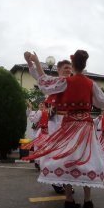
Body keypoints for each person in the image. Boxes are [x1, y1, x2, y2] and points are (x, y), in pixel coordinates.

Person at [23, 50, 104, 208]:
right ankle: (88, 200)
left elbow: (44, 82)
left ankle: (69, 199)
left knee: (67, 160)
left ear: (73, 65)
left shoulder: (65, 82)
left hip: (69, 126)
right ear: (85, 65)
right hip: (85, 126)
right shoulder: (91, 83)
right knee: (87, 160)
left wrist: (36, 61)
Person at [25, 56, 73, 194]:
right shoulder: (54, 82)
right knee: (55, 153)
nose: (68, 70)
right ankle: (57, 182)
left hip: (68, 123)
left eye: (70, 68)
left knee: (67, 154)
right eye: (65, 68)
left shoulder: (71, 82)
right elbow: (39, 77)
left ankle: (64, 182)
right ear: (58, 70)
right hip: (54, 123)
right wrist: (31, 63)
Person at [24, 102, 49, 170]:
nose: (41, 105)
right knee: (39, 147)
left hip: (44, 131)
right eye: (40, 104)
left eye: (42, 104)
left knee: (41, 147)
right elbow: (29, 115)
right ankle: (38, 163)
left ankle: (42, 163)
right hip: (39, 132)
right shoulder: (37, 112)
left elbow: (33, 119)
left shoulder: (44, 112)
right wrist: (30, 108)